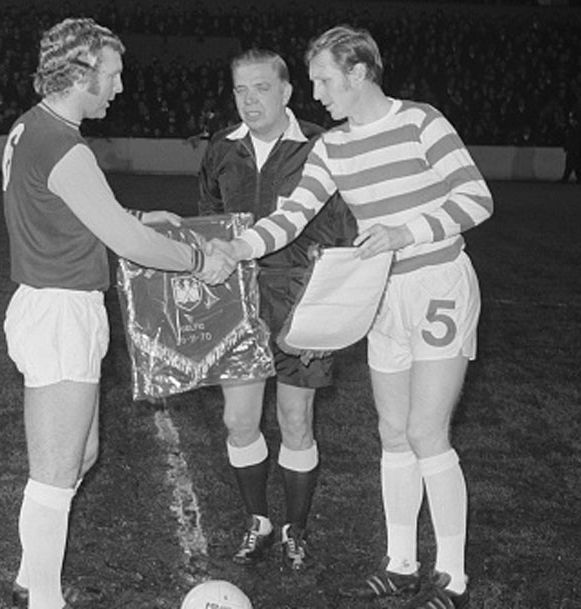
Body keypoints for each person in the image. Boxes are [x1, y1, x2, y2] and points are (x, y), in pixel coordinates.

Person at [206, 25, 493, 609]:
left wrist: (403, 232)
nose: (316, 93)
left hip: (437, 282)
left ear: (359, 73)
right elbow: (292, 214)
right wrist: (239, 247)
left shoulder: (421, 122)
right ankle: (402, 563)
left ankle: (453, 578)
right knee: (392, 433)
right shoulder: (332, 147)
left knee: (425, 432)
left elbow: (475, 198)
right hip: (382, 294)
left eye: (324, 79)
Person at [0, 18, 233, 609]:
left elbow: (66, 207)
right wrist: (196, 258)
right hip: (59, 312)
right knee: (55, 472)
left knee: (82, 455)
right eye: (113, 74)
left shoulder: (33, 127)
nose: (121, 86)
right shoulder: (66, 147)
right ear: (81, 74)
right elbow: (127, 246)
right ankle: (44, 599)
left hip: (54, 306)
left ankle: (33, 574)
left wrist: (130, 213)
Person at [197, 48, 357, 572]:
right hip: (239, 301)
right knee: (238, 420)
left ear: (287, 91)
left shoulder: (320, 146)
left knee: (295, 418)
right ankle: (258, 521)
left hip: (300, 300)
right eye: (240, 90)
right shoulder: (222, 148)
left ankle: (297, 528)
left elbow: (343, 226)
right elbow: (211, 224)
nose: (249, 101)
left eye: (261, 88)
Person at [560, 112, 581, 183]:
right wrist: (566, 146)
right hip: (571, 150)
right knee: (570, 166)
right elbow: (567, 139)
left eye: (572, 119)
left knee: (575, 166)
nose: (570, 121)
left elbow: (579, 140)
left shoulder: (578, 129)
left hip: (576, 150)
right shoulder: (569, 129)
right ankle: (568, 179)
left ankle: (577, 179)